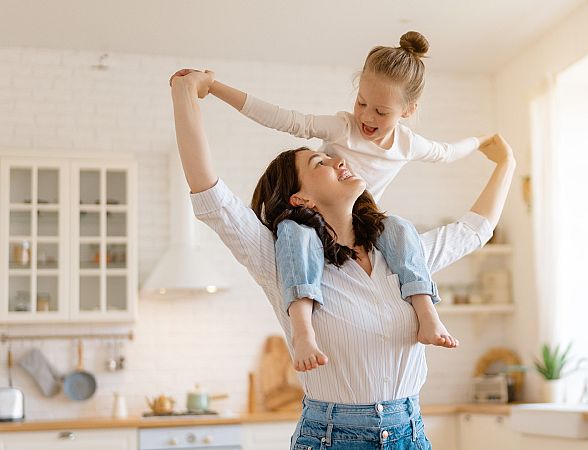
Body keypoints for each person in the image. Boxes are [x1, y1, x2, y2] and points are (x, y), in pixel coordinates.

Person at [170, 68, 514, 449]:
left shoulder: (399, 254)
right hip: (332, 438)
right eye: (320, 163)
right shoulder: (283, 260)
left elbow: (471, 231)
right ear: (301, 199)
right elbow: (211, 197)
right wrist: (186, 92)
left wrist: (506, 165)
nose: (339, 161)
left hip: (410, 434)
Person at [170, 31, 494, 372]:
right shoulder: (343, 128)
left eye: (381, 111)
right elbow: (283, 118)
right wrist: (212, 87)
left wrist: (482, 142)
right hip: (315, 223)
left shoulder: (407, 146)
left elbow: (448, 155)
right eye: (361, 103)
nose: (367, 117)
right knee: (295, 234)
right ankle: (302, 330)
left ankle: (427, 313)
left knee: (399, 227)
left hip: (363, 220)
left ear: (408, 111)